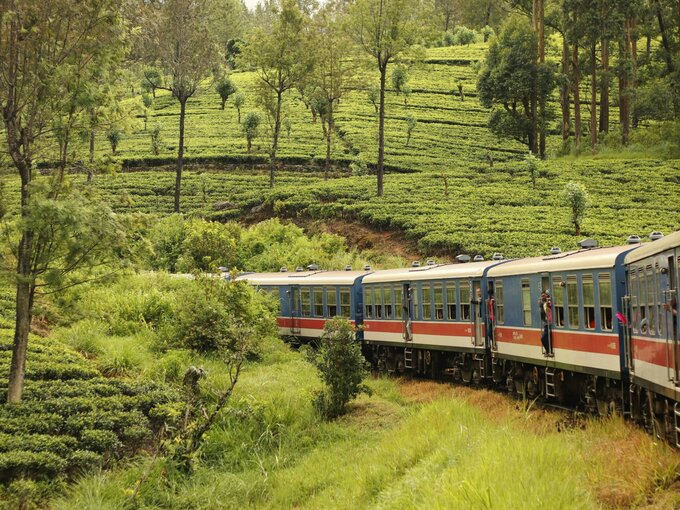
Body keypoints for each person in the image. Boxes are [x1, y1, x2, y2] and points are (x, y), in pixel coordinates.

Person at [539, 291, 553, 356]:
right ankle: (548, 350)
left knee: (543, 338)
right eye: (542, 296)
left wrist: (548, 302)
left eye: (544, 296)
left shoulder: (548, 303)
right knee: (545, 338)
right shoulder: (542, 303)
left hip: (548, 323)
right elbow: (541, 304)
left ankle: (548, 351)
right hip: (545, 323)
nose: (543, 297)